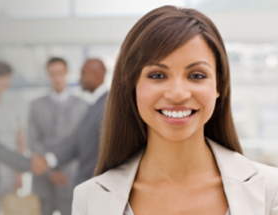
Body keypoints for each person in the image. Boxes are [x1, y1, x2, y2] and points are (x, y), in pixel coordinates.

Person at [72, 6, 278, 215]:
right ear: (132, 86)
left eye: (196, 75)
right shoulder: (90, 198)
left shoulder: (271, 191)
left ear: (219, 85)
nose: (178, 94)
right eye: (158, 75)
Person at [31, 58, 108, 186]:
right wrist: (49, 162)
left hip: (87, 179)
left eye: (83, 74)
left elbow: (99, 149)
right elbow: (81, 142)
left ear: (98, 74)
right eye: (52, 74)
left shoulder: (103, 105)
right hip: (55, 180)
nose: (80, 79)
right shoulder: (95, 105)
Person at [28, 57, 88, 215]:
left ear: (66, 73)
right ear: (47, 75)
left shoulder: (83, 106)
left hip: (71, 177)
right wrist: (49, 170)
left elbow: (80, 142)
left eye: (60, 72)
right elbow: (34, 141)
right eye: (52, 73)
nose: (56, 78)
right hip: (43, 178)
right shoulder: (36, 106)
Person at [0, 61, 27, 204]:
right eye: (4, 78)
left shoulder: (14, 102)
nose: (8, 82)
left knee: (11, 207)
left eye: (9, 78)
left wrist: (19, 173)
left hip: (11, 168)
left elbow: (20, 139)